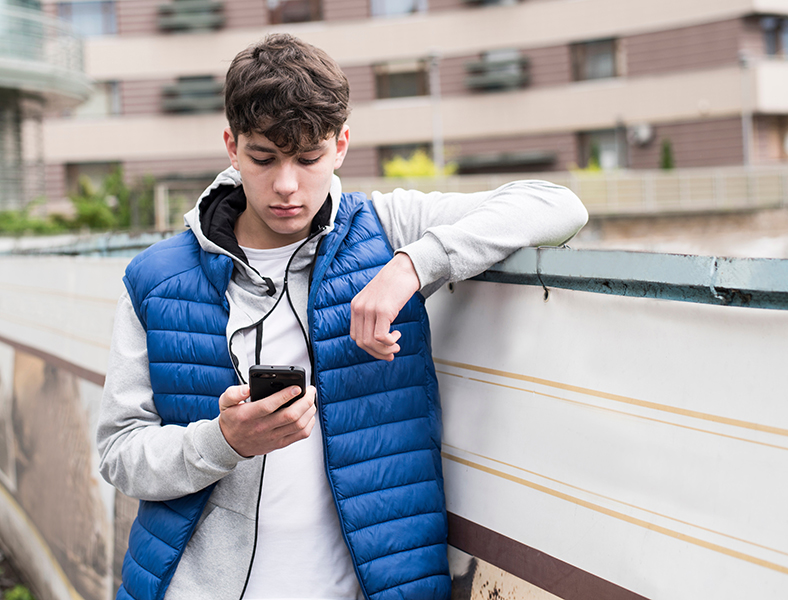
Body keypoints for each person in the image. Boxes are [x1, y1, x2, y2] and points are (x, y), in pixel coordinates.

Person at [97, 33, 587, 600]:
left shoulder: (385, 229)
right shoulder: (155, 279)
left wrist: (412, 265)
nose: (286, 185)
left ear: (342, 145)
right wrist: (221, 442)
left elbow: (557, 205)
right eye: (263, 158)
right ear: (231, 146)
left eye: (308, 160)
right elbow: (119, 453)